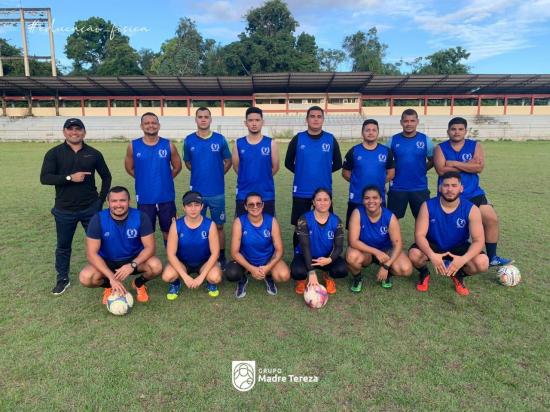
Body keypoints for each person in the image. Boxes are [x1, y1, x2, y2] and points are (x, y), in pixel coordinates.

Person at [40, 118, 112, 295]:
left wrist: (100, 200)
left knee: (101, 243)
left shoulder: (94, 153)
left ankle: (105, 275)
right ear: (64, 132)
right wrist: (69, 178)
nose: (74, 132)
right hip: (64, 210)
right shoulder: (54, 153)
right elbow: (45, 178)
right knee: (63, 246)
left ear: (84, 132)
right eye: (70, 129)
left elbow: (106, 176)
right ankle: (62, 279)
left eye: (78, 129)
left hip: (90, 208)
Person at [433, 117, 512, 267]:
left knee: (491, 219)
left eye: (460, 129)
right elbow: (441, 170)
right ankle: (449, 255)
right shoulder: (440, 148)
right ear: (448, 131)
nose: (457, 132)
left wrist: (454, 163)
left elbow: (479, 168)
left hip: (473, 193)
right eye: (453, 129)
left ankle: (492, 257)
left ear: (465, 131)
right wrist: (467, 165)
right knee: (451, 227)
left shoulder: (475, 146)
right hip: (450, 194)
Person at [408, 172, 489, 296]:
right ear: (440, 187)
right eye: (446, 185)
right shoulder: (427, 206)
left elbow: (478, 240)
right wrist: (431, 255)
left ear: (461, 188)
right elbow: (419, 235)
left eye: (454, 185)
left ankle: (458, 274)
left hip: (459, 246)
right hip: (434, 245)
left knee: (482, 262)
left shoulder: (472, 209)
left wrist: (463, 259)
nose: (449, 189)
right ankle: (424, 273)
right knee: (414, 254)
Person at [79, 186, 162, 304]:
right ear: (108, 202)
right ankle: (110, 286)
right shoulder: (98, 219)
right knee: (86, 277)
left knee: (156, 266)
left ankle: (138, 283)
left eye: (122, 200)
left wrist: (132, 265)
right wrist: (111, 278)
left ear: (129, 201)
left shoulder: (141, 217)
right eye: (114, 201)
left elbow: (150, 248)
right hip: (107, 262)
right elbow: (91, 254)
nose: (118, 204)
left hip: (134, 260)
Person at [284, 106, 342, 248]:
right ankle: (299, 257)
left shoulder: (330, 139)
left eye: (319, 116)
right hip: (302, 190)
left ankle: (326, 259)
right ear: (307, 119)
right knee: (299, 226)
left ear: (323, 119)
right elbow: (288, 162)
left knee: (326, 225)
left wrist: (323, 172)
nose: (315, 119)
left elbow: (338, 163)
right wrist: (302, 172)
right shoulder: (298, 138)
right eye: (312, 116)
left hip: (324, 192)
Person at [183, 107, 232, 268]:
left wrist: (217, 174)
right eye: (200, 117)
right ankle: (202, 255)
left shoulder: (220, 139)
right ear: (195, 120)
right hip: (197, 193)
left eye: (206, 117)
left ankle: (221, 256)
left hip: (217, 192)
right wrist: (200, 173)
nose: (203, 119)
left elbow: (228, 161)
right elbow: (188, 163)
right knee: (197, 224)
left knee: (218, 225)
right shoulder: (189, 140)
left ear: (211, 120)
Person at [124, 112, 182, 241]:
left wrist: (165, 178)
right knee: (146, 234)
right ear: (141, 126)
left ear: (158, 125)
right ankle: (148, 261)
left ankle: (171, 260)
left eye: (154, 123)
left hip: (165, 197)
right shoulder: (133, 146)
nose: (151, 125)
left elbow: (178, 167)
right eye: (147, 123)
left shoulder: (168, 145)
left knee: (169, 231)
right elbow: (129, 168)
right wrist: (144, 178)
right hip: (145, 198)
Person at [346, 186, 413, 292]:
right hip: (365, 251)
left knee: (406, 269)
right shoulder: (357, 213)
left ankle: (387, 274)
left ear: (381, 199)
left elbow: (398, 244)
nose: (371, 201)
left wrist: (386, 266)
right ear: (363, 200)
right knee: (351, 256)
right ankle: (357, 278)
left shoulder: (390, 217)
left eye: (375, 198)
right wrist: (376, 252)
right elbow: (353, 241)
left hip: (385, 251)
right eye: (367, 198)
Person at [225, 193, 290, 298]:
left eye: (258, 204)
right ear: (245, 207)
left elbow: (279, 250)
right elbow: (234, 252)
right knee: (232, 273)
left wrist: (267, 267)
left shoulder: (272, 221)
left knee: (283, 275)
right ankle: (243, 279)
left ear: (263, 205)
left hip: (267, 259)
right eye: (251, 204)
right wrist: (252, 269)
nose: (255, 207)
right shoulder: (239, 222)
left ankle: (268, 276)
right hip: (247, 259)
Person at [161, 191, 222, 300]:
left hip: (204, 262)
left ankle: (210, 282)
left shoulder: (210, 225)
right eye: (189, 205)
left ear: (202, 206)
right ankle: (175, 283)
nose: (193, 209)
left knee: (215, 277)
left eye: (196, 205)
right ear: (184, 207)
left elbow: (215, 253)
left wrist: (201, 278)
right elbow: (171, 254)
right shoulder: (176, 225)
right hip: (183, 263)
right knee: (167, 276)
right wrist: (185, 277)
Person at [290, 188, 347, 295]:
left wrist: (329, 260)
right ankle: (302, 280)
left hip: (325, 257)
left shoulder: (336, 221)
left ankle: (327, 276)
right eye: (319, 200)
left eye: (326, 199)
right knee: (297, 272)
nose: (322, 203)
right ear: (313, 202)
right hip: (305, 255)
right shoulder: (304, 219)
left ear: (330, 202)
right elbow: (305, 246)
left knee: (341, 269)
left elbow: (339, 247)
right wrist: (311, 272)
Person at [342, 118, 395, 228]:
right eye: (367, 130)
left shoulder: (386, 151)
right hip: (357, 197)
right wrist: (357, 181)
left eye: (374, 130)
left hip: (378, 197)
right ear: (362, 132)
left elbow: (391, 173)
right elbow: (345, 173)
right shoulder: (354, 151)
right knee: (354, 227)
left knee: (378, 227)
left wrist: (380, 182)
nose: (370, 132)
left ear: (378, 132)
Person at [387, 109, 434, 220]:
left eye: (412, 121)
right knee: (392, 218)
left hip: (419, 187)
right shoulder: (393, 140)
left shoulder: (425, 139)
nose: (409, 124)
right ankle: (394, 238)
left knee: (423, 218)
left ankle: (419, 238)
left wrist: (422, 170)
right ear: (401, 122)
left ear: (417, 121)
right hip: (397, 187)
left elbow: (432, 160)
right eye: (406, 121)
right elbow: (386, 162)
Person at [232, 107, 279, 217]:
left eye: (257, 120)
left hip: (266, 194)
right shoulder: (238, 144)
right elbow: (237, 167)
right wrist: (248, 176)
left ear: (262, 122)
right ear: (246, 123)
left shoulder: (271, 143)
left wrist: (262, 177)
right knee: (242, 228)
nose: (254, 123)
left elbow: (275, 167)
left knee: (268, 228)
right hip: (244, 194)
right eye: (250, 120)